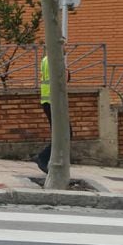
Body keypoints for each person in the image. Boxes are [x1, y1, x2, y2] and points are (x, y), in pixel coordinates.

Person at [36, 41, 71, 174]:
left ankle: (50, 160)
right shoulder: (56, 60)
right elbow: (65, 78)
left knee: (59, 133)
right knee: (65, 133)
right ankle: (43, 157)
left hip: (47, 100)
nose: (66, 48)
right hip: (54, 102)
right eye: (64, 45)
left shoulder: (46, 59)